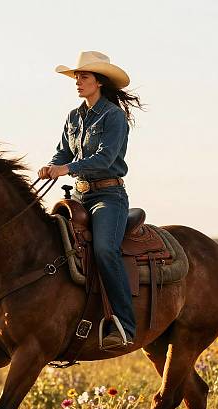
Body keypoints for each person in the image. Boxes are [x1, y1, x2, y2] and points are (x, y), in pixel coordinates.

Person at [38, 51, 143, 349]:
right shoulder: (74, 116)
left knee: (105, 249)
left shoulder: (114, 117)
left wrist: (66, 168)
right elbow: (63, 152)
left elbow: (105, 158)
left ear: (98, 81)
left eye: (83, 77)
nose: (78, 82)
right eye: (76, 77)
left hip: (108, 196)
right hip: (80, 194)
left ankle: (125, 324)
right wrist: (51, 166)